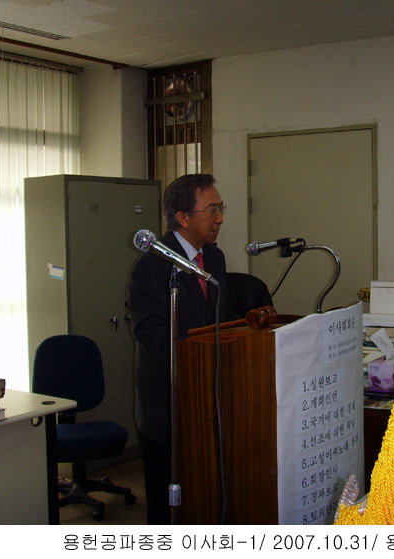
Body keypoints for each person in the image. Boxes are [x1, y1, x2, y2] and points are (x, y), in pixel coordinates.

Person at [127, 173, 239, 524]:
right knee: (168, 504)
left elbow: (221, 316)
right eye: (212, 210)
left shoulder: (214, 258)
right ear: (183, 217)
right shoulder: (152, 266)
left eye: (221, 209)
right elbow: (154, 339)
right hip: (169, 404)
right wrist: (203, 353)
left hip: (210, 398)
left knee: (204, 494)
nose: (220, 218)